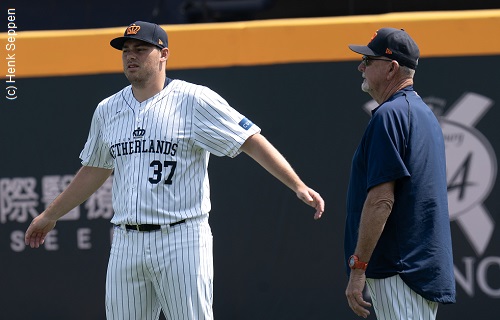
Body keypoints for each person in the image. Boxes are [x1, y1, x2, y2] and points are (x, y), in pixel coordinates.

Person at [24, 21, 324, 320]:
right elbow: (94, 169)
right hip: (126, 241)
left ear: (163, 54)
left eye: (141, 49)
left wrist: (296, 184)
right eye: (126, 50)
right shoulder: (107, 109)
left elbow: (249, 140)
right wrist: (50, 215)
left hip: (182, 238)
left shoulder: (193, 99)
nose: (131, 56)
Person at [344, 28, 456, 319]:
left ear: (392, 67)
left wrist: (358, 268)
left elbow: (382, 200)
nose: (361, 66)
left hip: (400, 267)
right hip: (414, 266)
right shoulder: (423, 114)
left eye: (368, 61)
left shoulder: (389, 115)